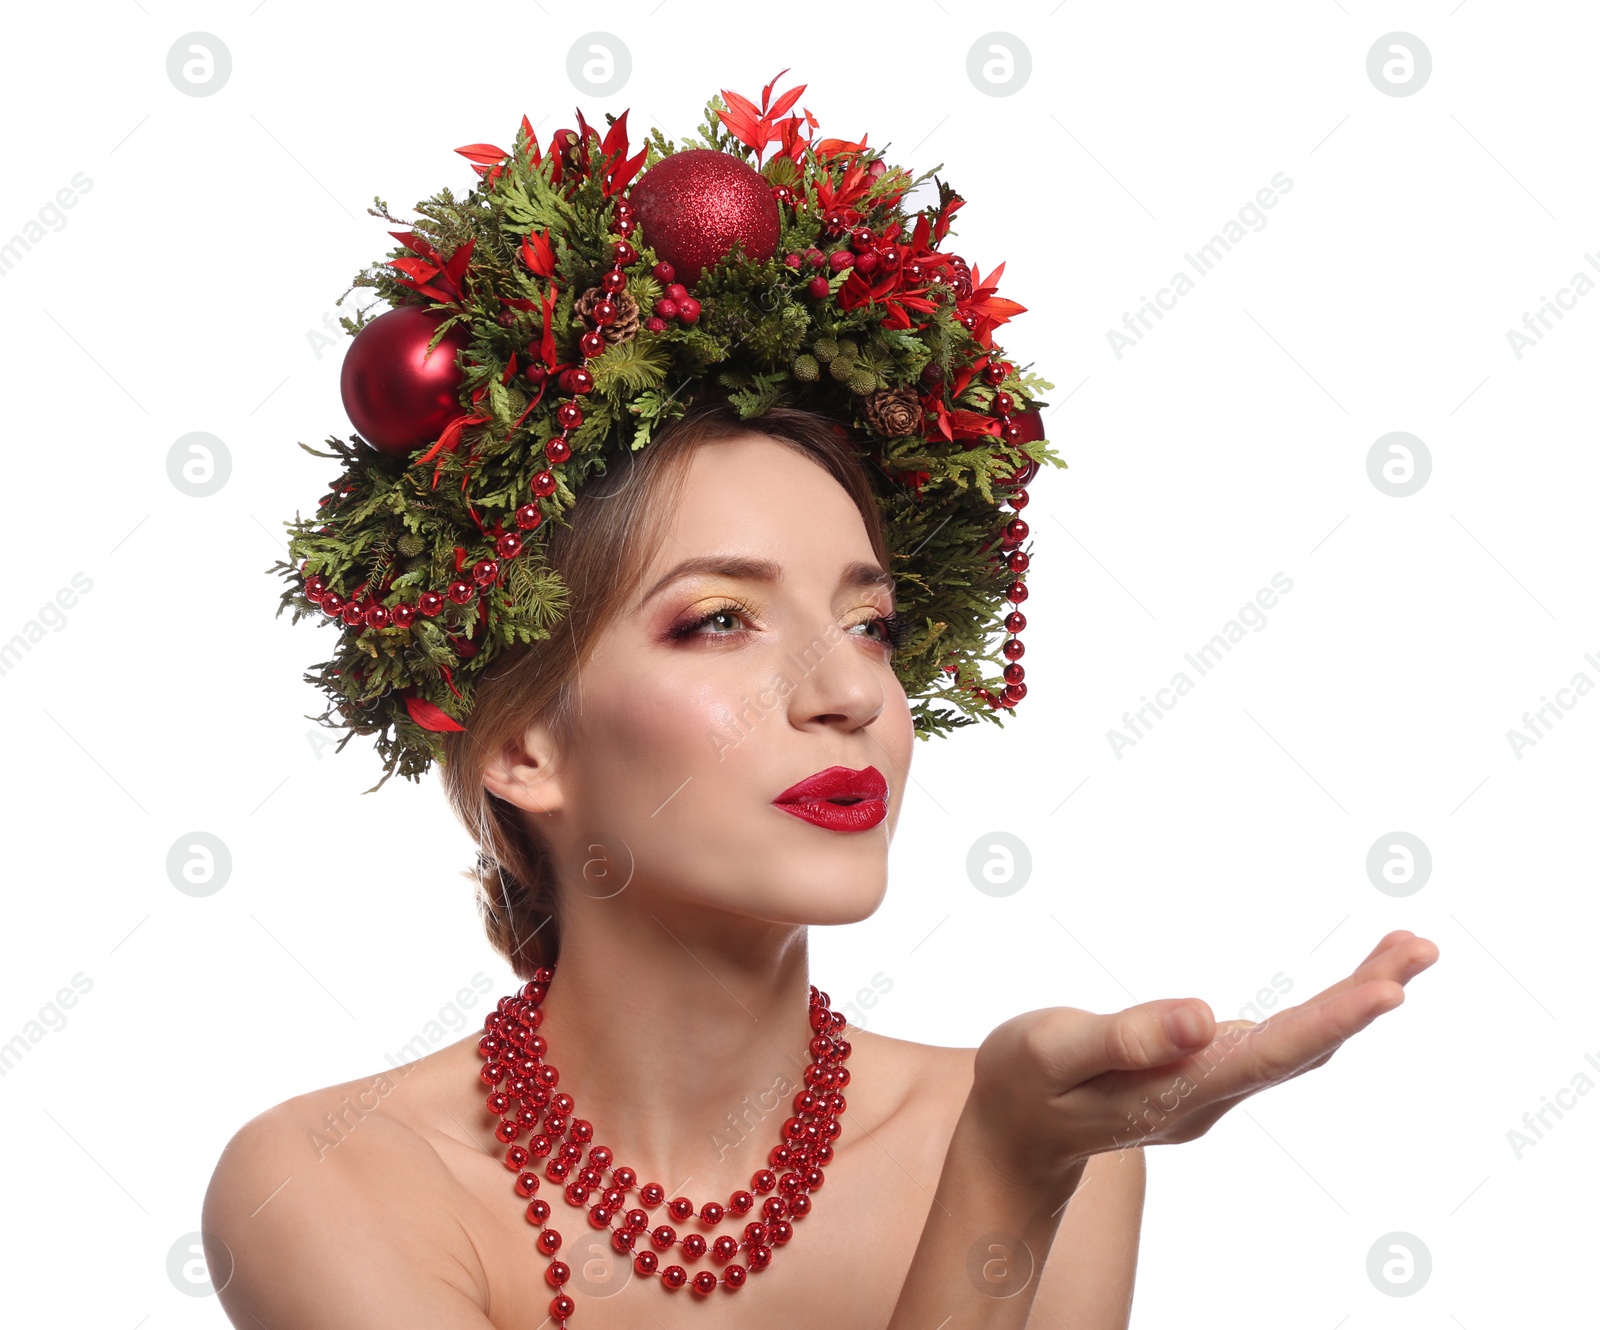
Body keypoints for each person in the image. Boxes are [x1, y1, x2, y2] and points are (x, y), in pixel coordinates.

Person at [203, 79, 1439, 1330]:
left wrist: (1017, 1164)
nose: (851, 692)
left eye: (870, 624)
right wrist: (1001, 1181)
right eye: (720, 620)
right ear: (521, 742)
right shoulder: (331, 1184)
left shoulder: (1060, 1140)